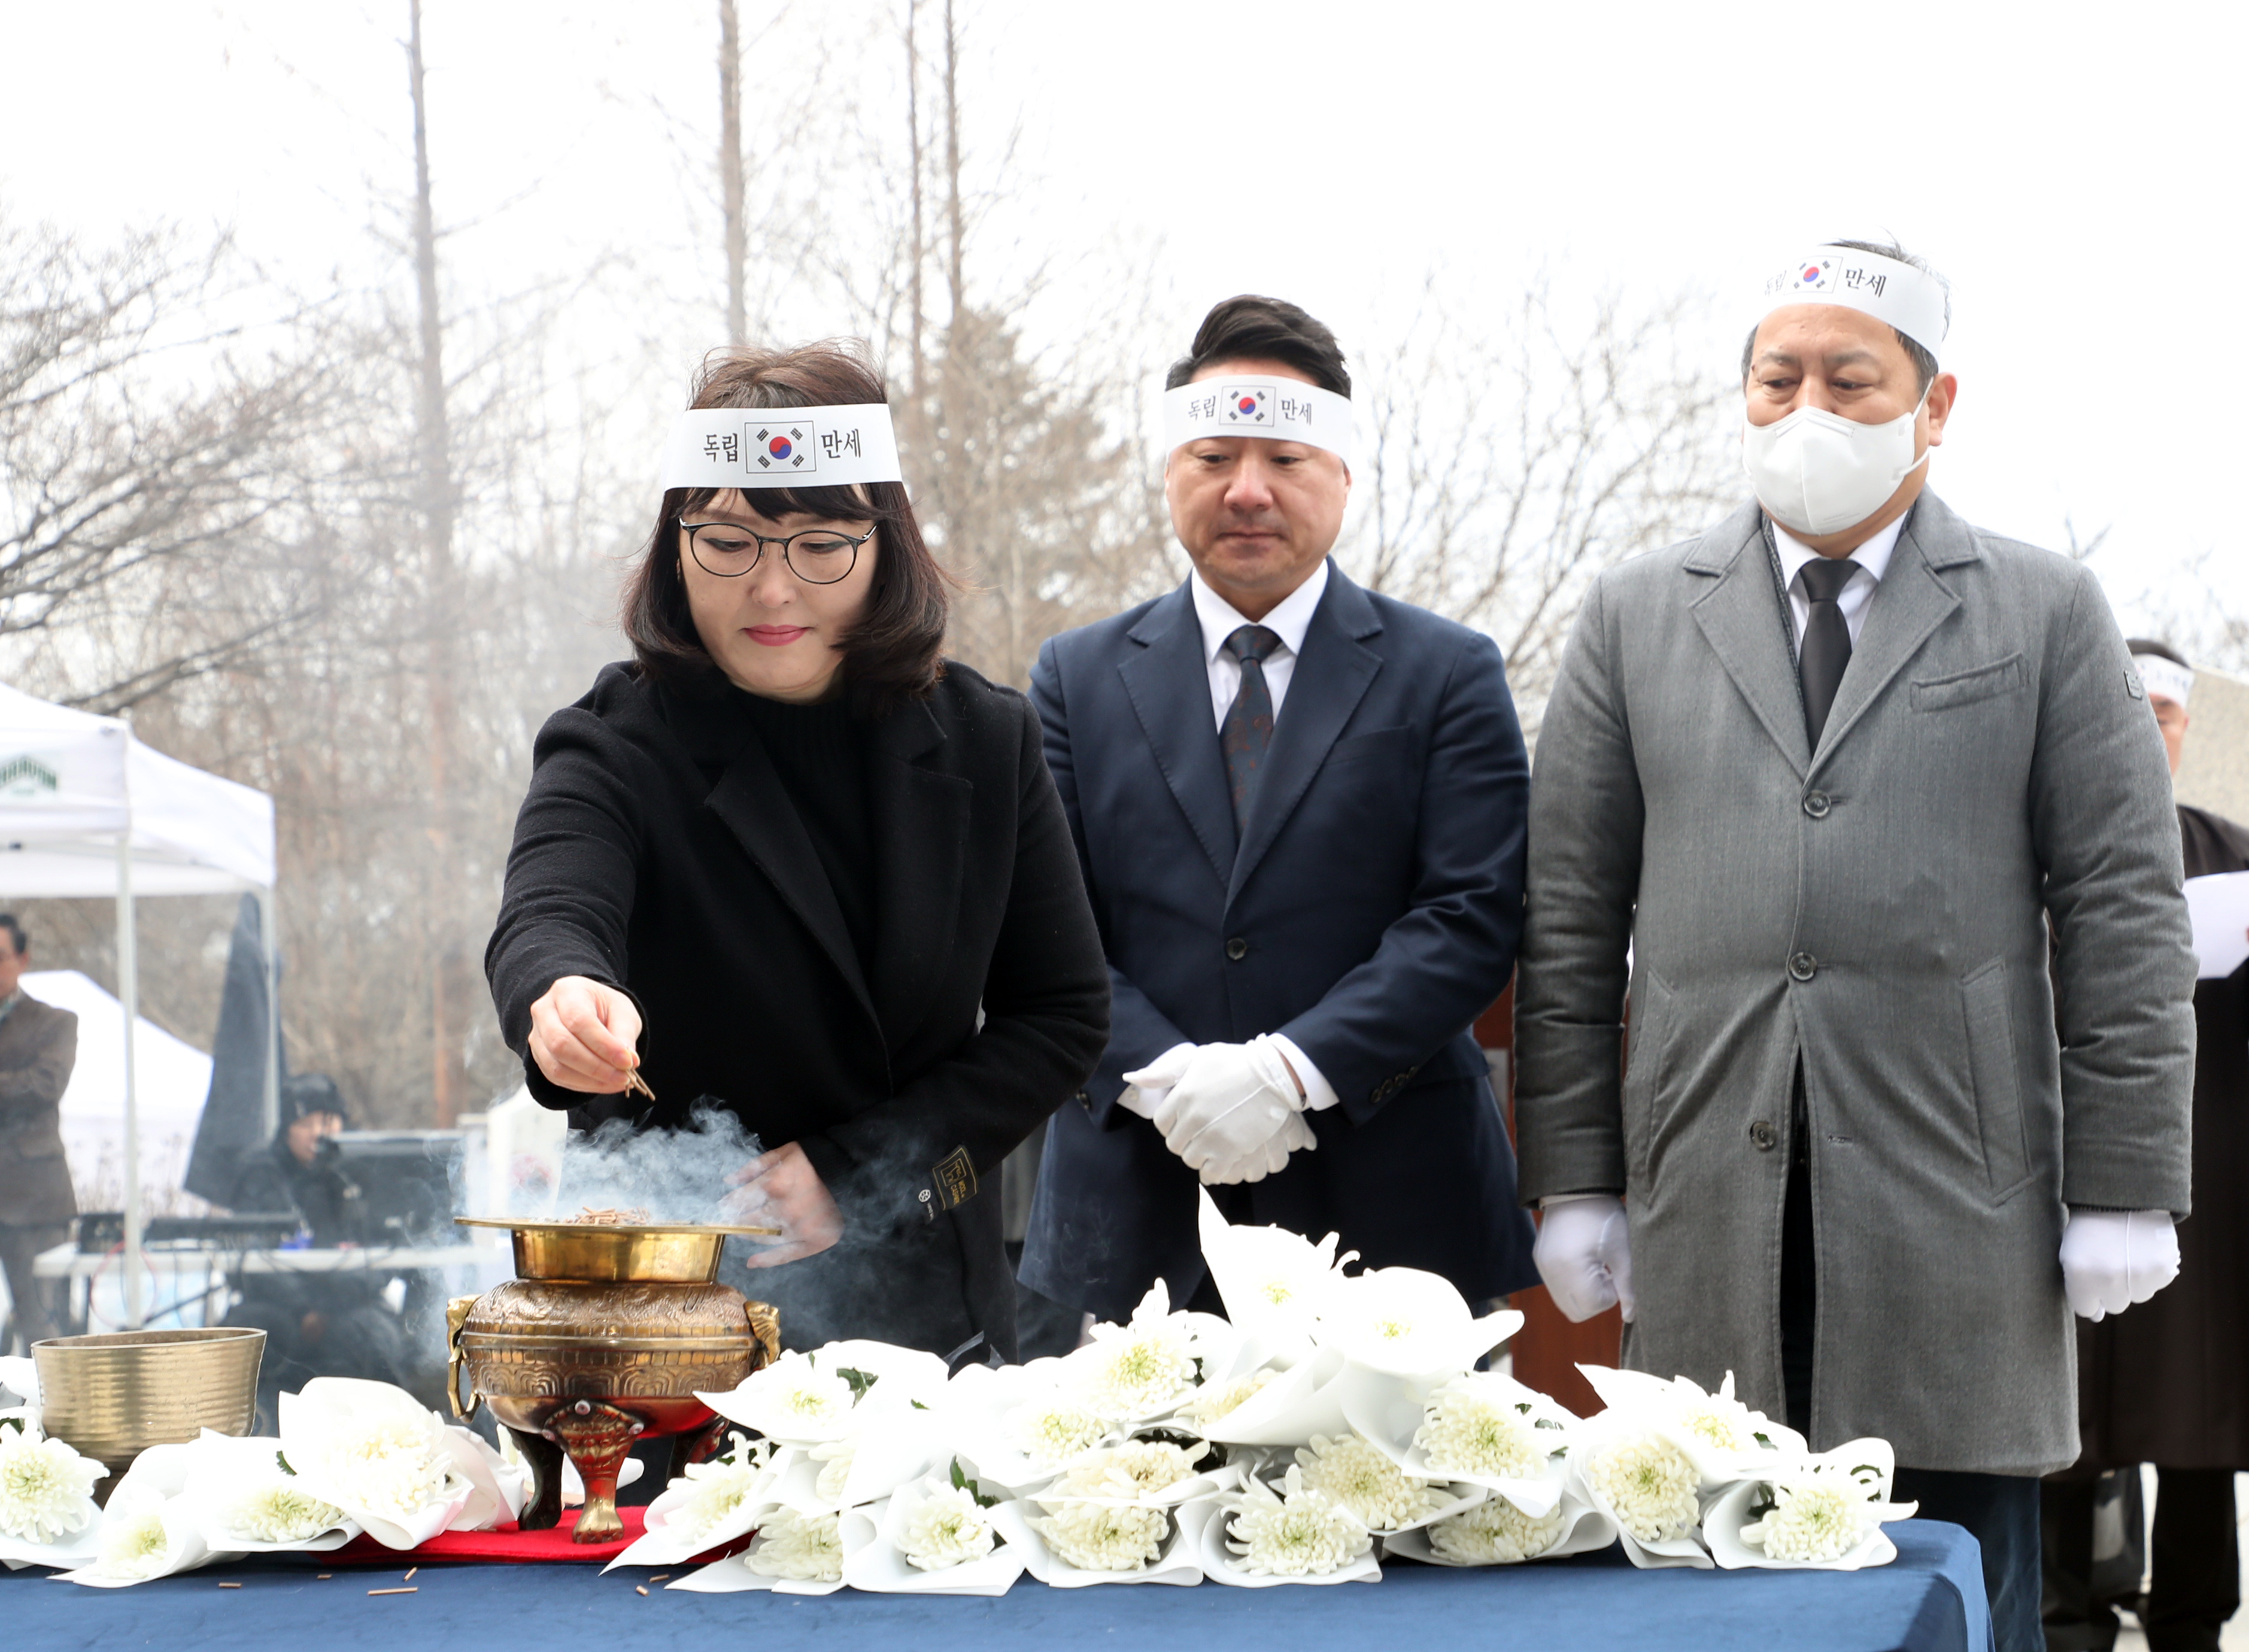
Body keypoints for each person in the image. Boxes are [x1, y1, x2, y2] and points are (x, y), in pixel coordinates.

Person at [1513, 241, 2197, 1652]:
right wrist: (1572, 1176)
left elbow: (2125, 900)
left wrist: (2128, 1181)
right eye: (1780, 377)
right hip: (1710, 1197)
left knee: (1951, 1597)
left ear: (1934, 406)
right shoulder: (1639, 614)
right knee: (1715, 1596)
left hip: (1958, 1214)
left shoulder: (2044, 609)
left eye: (1850, 376)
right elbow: (1570, 918)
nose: (1807, 405)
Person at [484, 342, 1109, 1362]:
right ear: (675, 542)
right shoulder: (616, 739)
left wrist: (858, 1172)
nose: (772, 590)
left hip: (919, 1312)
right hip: (665, 1319)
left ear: (884, 544)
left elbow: (1063, 1014)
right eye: (728, 541)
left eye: (821, 544)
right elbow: (552, 908)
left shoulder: (986, 741)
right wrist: (556, 1000)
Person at [1020, 295, 1535, 1322]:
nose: (1247, 491)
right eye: (1213, 458)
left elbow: (1470, 915)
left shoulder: (1448, 673)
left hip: (1393, 1219)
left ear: (1340, 476)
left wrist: (1290, 1074)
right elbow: (1039, 927)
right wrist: (1171, 1082)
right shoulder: (1073, 676)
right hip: (1132, 1213)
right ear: (1170, 474)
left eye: (1285, 461)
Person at [2041, 641, 2249, 1652]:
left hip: (2197, 1171)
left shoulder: (2232, 854)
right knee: (2056, 1404)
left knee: (2200, 1411)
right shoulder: (2032, 844)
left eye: (2163, 715)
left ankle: (2188, 1623)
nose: (2144, 730)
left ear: (2182, 731)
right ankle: (2058, 1618)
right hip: (2060, 1164)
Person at [220, 1074, 411, 1414]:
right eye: (305, 1123)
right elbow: (246, 1252)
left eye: (328, 1121)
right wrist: (302, 1309)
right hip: (277, 1305)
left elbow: (385, 1251)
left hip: (349, 1303)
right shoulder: (260, 1171)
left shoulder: (360, 1171)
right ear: (287, 1129)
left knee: (375, 1337)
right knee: (245, 1337)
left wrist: (329, 1304)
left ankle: (379, 1430)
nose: (318, 1133)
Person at [0, 916, 76, 1351]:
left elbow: (46, 1084)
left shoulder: (55, 1023)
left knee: (45, 1334)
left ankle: (52, 1420)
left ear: (23, 959)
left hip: (34, 1204)